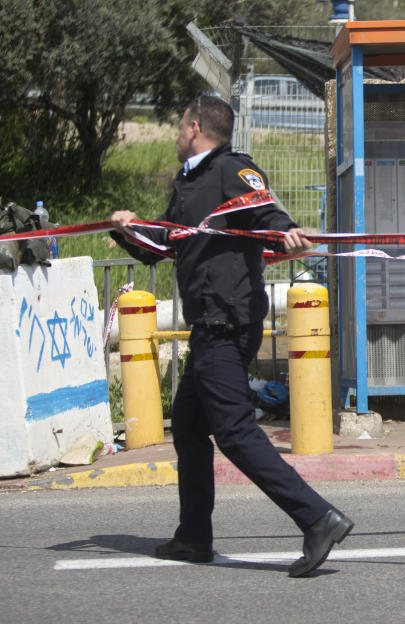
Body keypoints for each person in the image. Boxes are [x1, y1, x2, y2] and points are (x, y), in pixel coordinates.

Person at [109, 94, 352, 578]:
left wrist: (286, 231)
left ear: (195, 126)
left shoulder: (230, 169)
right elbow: (163, 246)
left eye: (180, 126)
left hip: (227, 320)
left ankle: (317, 517)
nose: (177, 134)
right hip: (207, 323)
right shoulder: (190, 182)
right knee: (190, 428)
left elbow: (263, 211)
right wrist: (127, 229)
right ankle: (194, 537)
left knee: (235, 432)